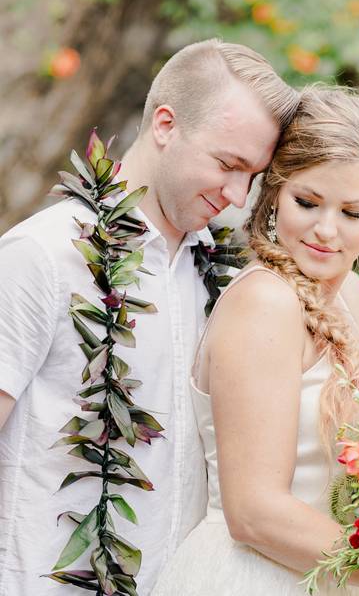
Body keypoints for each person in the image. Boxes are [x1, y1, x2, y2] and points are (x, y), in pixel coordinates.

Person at [0, 39, 298, 594]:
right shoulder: (41, 256)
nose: (236, 196)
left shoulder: (227, 283)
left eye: (251, 176)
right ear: (165, 124)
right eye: (227, 164)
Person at [151, 86, 359, 595]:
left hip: (331, 575)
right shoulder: (265, 303)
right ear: (274, 193)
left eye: (352, 213)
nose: (326, 230)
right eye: (308, 202)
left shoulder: (353, 298)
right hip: (257, 576)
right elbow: (254, 512)